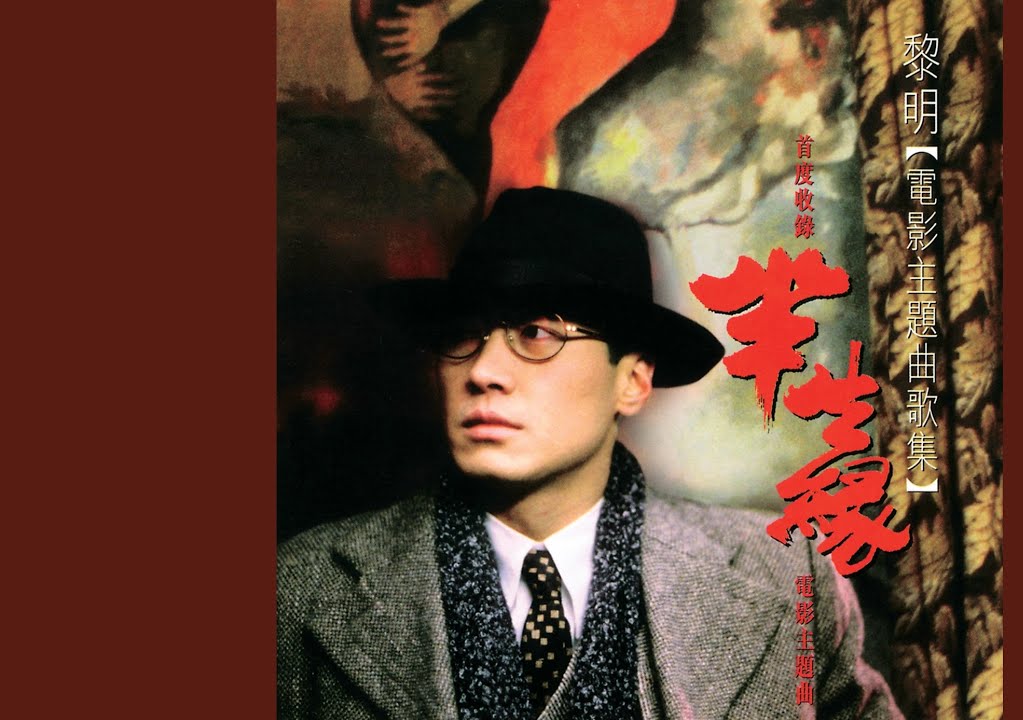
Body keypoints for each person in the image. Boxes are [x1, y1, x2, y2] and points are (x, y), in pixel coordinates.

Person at [277, 187, 903, 719]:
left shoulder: (785, 579)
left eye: (536, 333)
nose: (484, 372)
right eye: (463, 335)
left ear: (632, 380)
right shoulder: (300, 592)